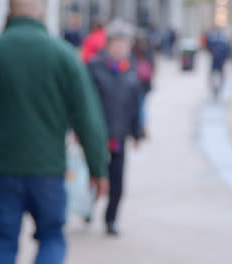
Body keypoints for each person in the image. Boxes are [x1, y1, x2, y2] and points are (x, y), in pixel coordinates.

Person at [0, 0, 110, 263]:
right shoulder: (63, 55)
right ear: (42, 11)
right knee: (51, 238)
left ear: (9, 12)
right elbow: (88, 118)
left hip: (0, 169)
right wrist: (98, 169)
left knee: (0, 246)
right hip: (47, 169)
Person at [87, 19, 144, 236]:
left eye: (124, 43)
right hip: (96, 136)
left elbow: (135, 105)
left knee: (118, 182)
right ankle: (87, 209)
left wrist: (137, 132)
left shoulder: (130, 71)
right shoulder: (94, 68)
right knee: (94, 175)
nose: (121, 47)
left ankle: (110, 219)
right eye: (117, 42)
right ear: (108, 44)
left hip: (118, 136)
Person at [133, 30, 155, 138]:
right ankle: (141, 126)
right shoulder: (148, 51)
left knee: (139, 106)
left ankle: (140, 127)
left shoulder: (133, 51)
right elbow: (153, 67)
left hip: (137, 84)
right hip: (144, 84)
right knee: (141, 106)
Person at [206, 28, 229, 100]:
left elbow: (208, 47)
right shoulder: (223, 41)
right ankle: (216, 90)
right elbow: (227, 51)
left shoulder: (214, 41)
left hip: (217, 63)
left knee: (215, 77)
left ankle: (216, 90)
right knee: (218, 77)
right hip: (219, 63)